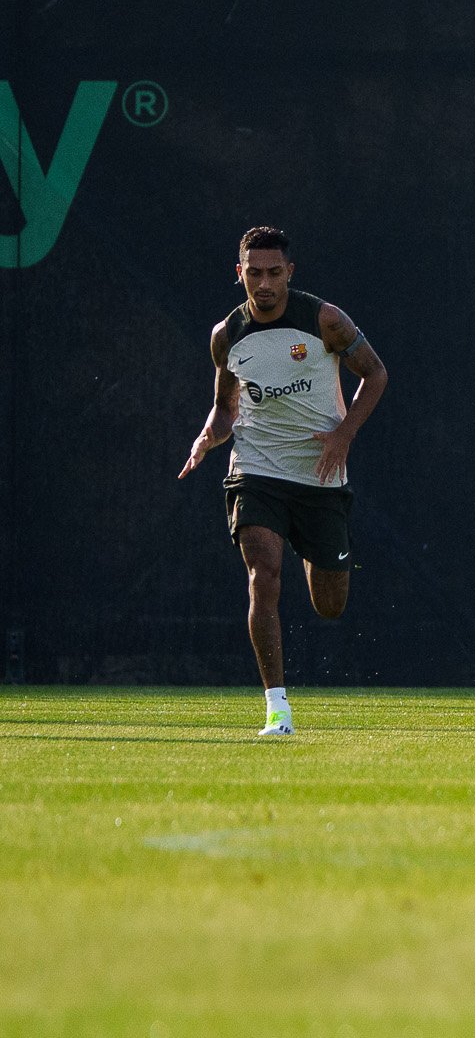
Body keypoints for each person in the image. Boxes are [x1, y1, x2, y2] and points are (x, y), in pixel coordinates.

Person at [177, 225, 389, 737]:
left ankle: (310, 546)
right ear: (240, 274)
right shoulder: (225, 337)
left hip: (320, 476)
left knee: (329, 605)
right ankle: (277, 708)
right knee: (263, 574)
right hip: (257, 471)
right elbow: (226, 409)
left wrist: (344, 434)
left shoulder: (326, 321)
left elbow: (376, 374)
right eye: (255, 273)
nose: (265, 283)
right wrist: (209, 437)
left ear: (290, 273)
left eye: (275, 273)